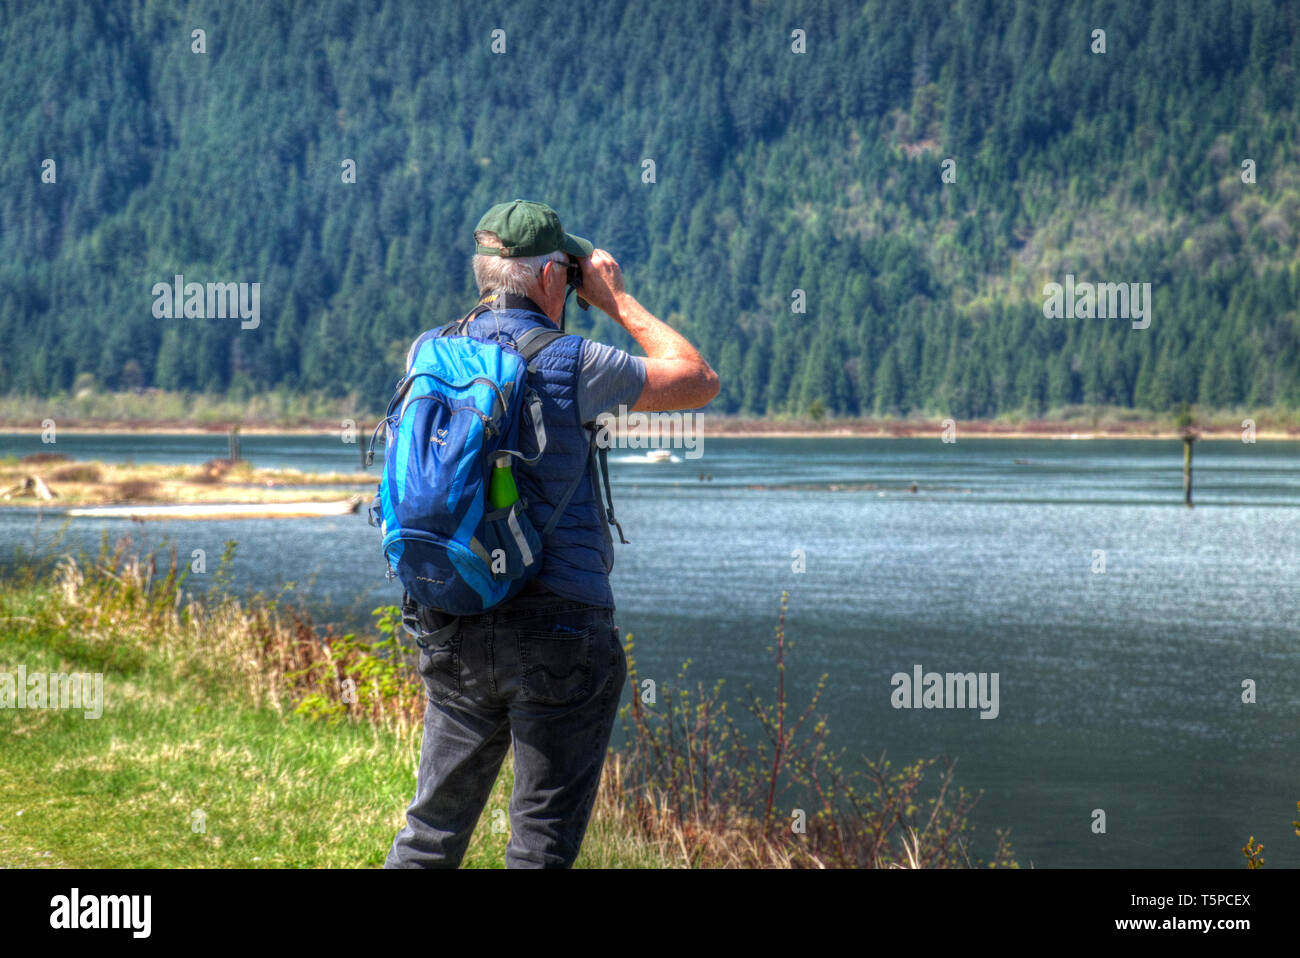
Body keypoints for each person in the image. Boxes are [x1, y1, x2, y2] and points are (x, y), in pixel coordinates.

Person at [384, 199, 719, 868]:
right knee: (539, 846)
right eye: (565, 274)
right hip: (559, 628)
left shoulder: (430, 350)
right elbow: (695, 380)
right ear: (548, 279)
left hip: (451, 611)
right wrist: (617, 299)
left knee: (430, 834)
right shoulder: (574, 363)